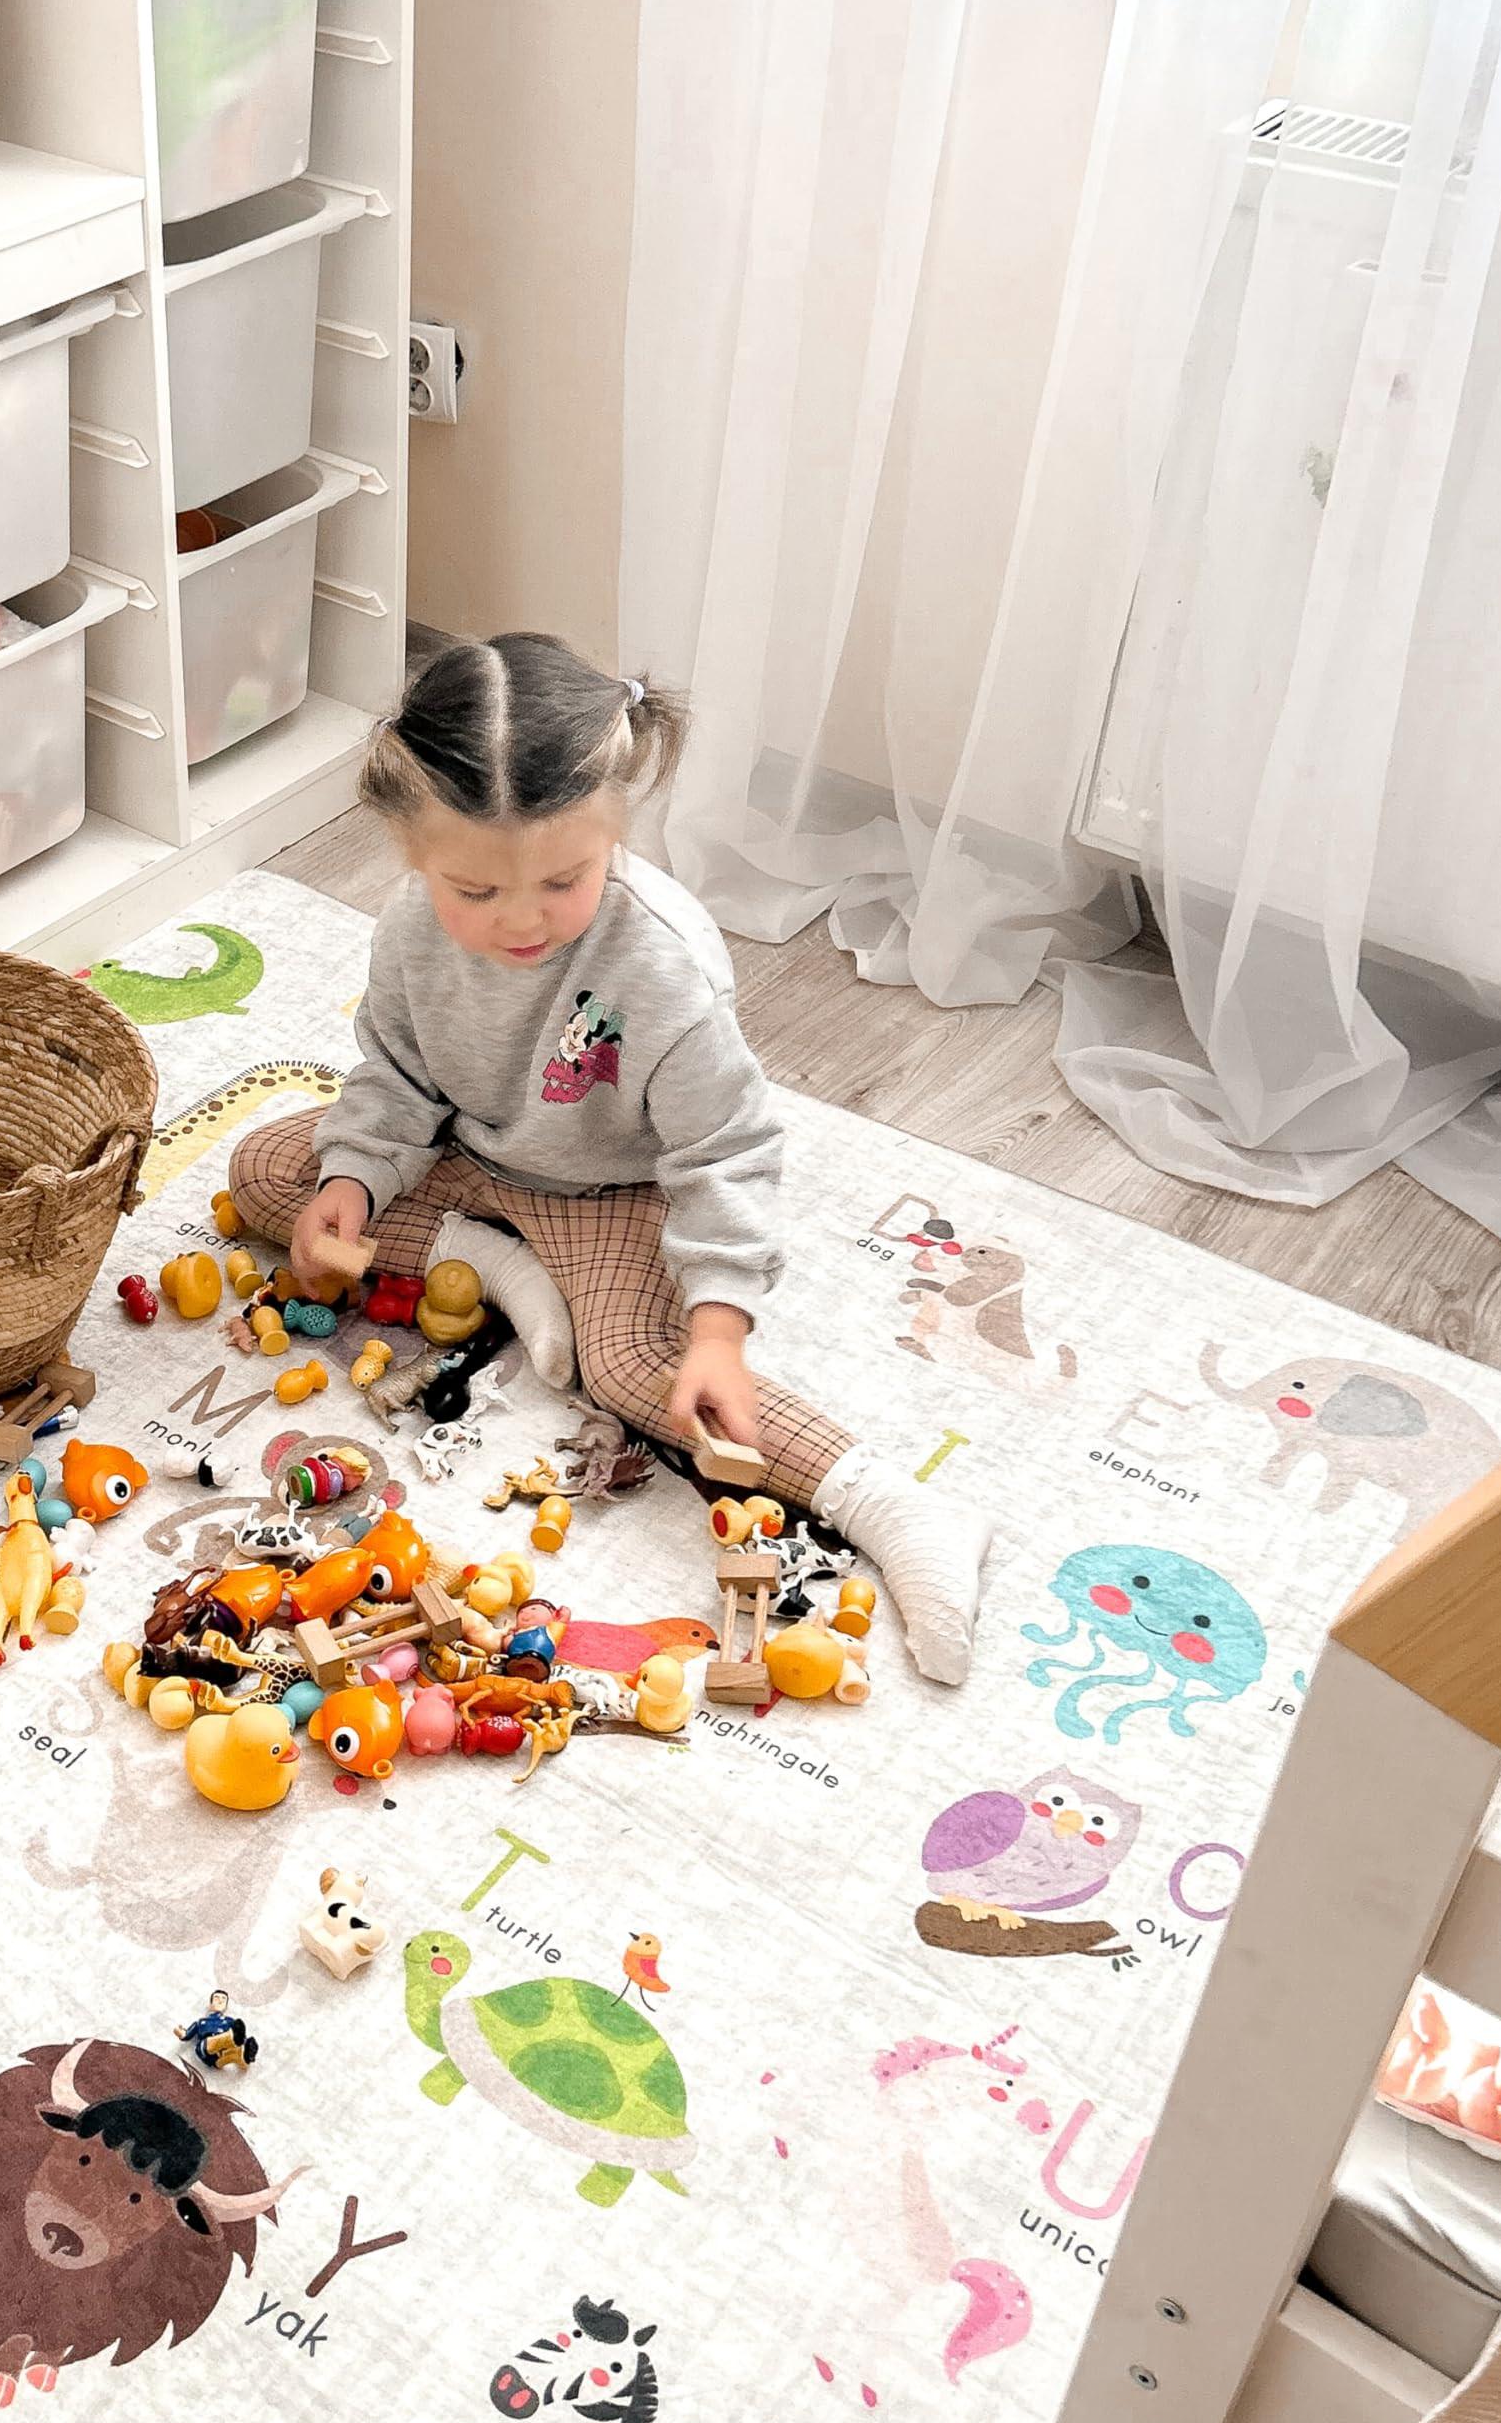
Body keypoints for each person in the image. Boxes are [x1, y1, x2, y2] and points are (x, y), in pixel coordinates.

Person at [224, 633, 989, 1681]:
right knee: (268, 1167)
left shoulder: (661, 966)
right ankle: (492, 1262)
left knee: (631, 1366)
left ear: (615, 832)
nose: (521, 920)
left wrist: (716, 1326)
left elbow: (727, 1151)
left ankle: (893, 1504)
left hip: (613, 1188)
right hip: (472, 1157)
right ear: (412, 857)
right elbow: (395, 1078)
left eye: (561, 880)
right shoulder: (410, 925)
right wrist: (354, 1182)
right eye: (475, 892)